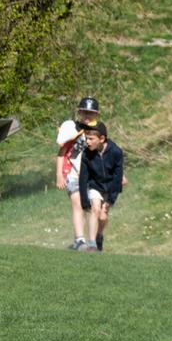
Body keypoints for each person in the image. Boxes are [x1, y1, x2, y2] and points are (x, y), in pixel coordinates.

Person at [55, 96, 102, 250]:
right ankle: (79, 240)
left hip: (91, 176)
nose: (87, 116)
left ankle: (93, 241)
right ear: (79, 112)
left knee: (94, 208)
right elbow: (61, 153)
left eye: (91, 113)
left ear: (97, 114)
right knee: (78, 204)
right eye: (84, 112)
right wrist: (59, 176)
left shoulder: (99, 132)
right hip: (72, 174)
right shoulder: (72, 129)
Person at [77, 121, 125, 252]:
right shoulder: (86, 154)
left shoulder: (116, 152)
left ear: (102, 138)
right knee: (95, 210)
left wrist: (111, 199)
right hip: (95, 186)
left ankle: (99, 235)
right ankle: (92, 244)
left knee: (103, 216)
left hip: (111, 187)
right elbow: (83, 178)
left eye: (91, 139)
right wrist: (84, 200)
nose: (87, 142)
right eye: (86, 138)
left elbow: (118, 177)